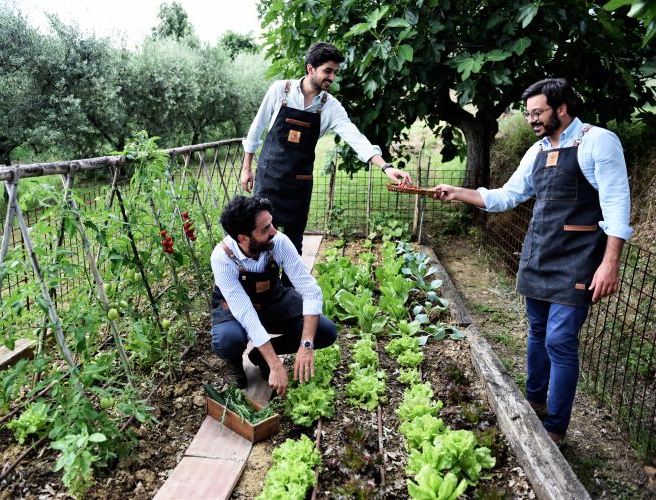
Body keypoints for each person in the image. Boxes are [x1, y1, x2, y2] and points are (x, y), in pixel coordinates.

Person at [431, 78, 632, 447]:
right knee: (537, 332)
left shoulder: (597, 142)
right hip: (539, 252)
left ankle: (555, 429)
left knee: (559, 340)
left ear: (562, 108)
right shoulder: (537, 150)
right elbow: (509, 195)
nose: (531, 120)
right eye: (528, 113)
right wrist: (458, 192)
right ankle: (535, 401)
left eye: (537, 112)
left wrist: (610, 263)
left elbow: (617, 205)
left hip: (578, 258)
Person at [241, 41, 412, 256]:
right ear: (310, 68)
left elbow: (355, 138)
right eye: (327, 71)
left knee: (294, 243)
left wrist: (386, 167)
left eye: (335, 72)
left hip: (299, 185)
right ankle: (263, 286)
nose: (332, 78)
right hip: (269, 179)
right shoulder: (280, 90)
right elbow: (256, 128)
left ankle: (291, 288)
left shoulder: (330, 106)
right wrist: (246, 168)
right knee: (261, 238)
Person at [210, 195, 338, 396]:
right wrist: (276, 364)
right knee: (228, 339)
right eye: (265, 229)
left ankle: (259, 356)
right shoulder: (222, 258)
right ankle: (234, 362)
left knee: (325, 331)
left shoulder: (279, 242)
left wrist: (306, 345)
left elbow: (310, 290)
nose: (274, 232)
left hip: (272, 300)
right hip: (236, 310)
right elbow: (245, 312)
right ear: (243, 238)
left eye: (271, 223)